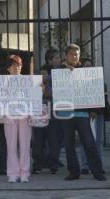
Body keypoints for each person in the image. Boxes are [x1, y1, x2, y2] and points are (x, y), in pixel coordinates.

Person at [57, 44, 106, 181]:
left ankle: (97, 171)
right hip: (66, 113)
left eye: (77, 54)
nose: (75, 56)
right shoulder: (59, 72)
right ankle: (73, 172)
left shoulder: (85, 71)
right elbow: (55, 90)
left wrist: (95, 110)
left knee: (89, 143)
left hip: (83, 114)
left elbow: (94, 90)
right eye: (72, 54)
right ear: (66, 55)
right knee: (68, 145)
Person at [0, 55, 33, 183]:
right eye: (13, 65)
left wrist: (39, 90)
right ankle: (13, 173)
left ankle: (24, 173)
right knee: (11, 146)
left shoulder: (28, 80)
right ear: (8, 68)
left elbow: (34, 97)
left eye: (19, 65)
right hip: (9, 116)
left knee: (25, 146)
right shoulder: (1, 81)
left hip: (24, 117)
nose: (16, 67)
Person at [32, 48, 62, 175]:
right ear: (49, 60)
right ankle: (38, 164)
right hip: (40, 110)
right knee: (38, 139)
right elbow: (35, 91)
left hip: (54, 110)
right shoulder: (39, 72)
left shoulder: (62, 73)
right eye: (56, 58)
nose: (59, 60)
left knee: (54, 139)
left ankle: (53, 163)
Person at [79, 57, 105, 175]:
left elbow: (103, 97)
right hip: (84, 114)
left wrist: (96, 110)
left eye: (90, 65)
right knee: (84, 140)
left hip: (97, 115)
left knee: (98, 141)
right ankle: (85, 165)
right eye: (85, 65)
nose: (87, 68)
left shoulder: (99, 80)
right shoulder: (77, 82)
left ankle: (98, 164)